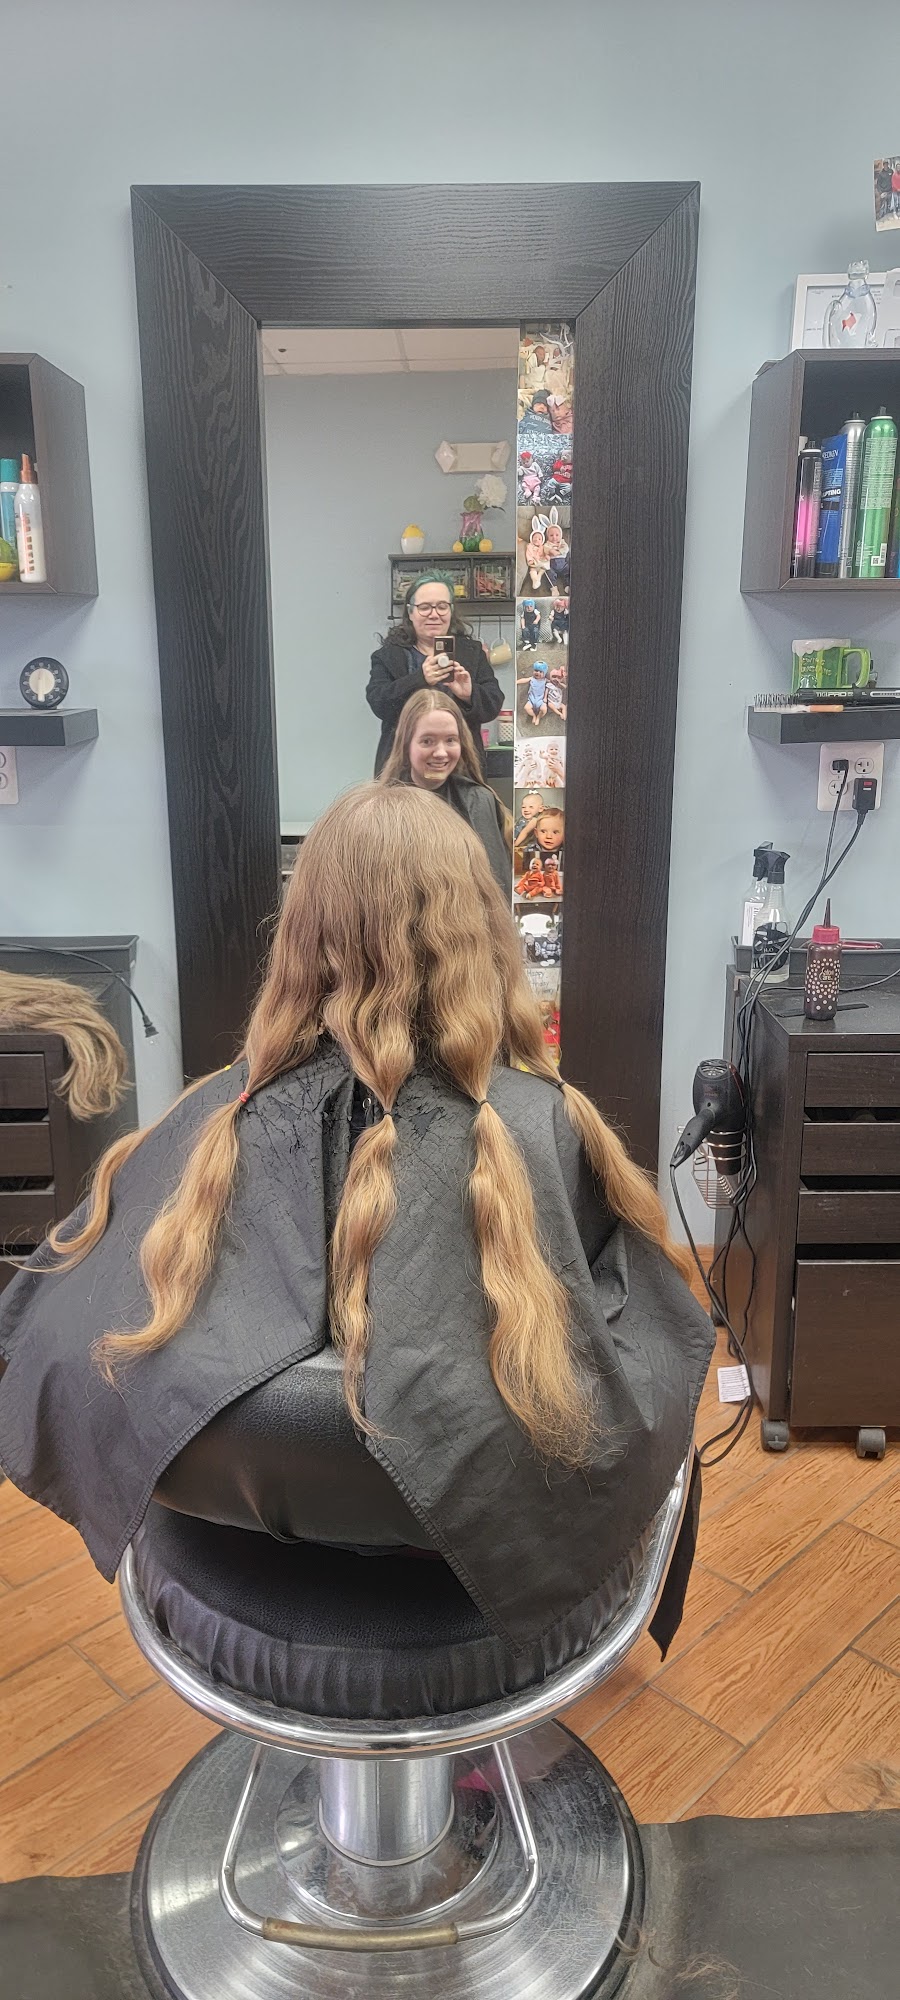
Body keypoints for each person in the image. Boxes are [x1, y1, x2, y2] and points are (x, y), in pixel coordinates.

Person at [0, 784, 712, 1664]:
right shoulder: (544, 1124)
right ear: (478, 929)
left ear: (302, 930)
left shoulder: (210, 1120)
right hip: (474, 1564)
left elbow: (57, 1330)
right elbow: (649, 1366)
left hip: (243, 1553)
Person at [367, 570, 503, 776]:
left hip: (462, 772)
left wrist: (469, 694)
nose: (434, 614)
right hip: (403, 773)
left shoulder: (472, 653)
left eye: (442, 606)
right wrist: (419, 679)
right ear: (410, 613)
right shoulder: (388, 656)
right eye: (424, 607)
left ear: (451, 611)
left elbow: (493, 705)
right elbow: (379, 703)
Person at [379, 686, 511, 898]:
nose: (441, 753)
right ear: (406, 744)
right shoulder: (382, 812)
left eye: (450, 740)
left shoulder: (478, 802)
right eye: (427, 741)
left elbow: (497, 891)